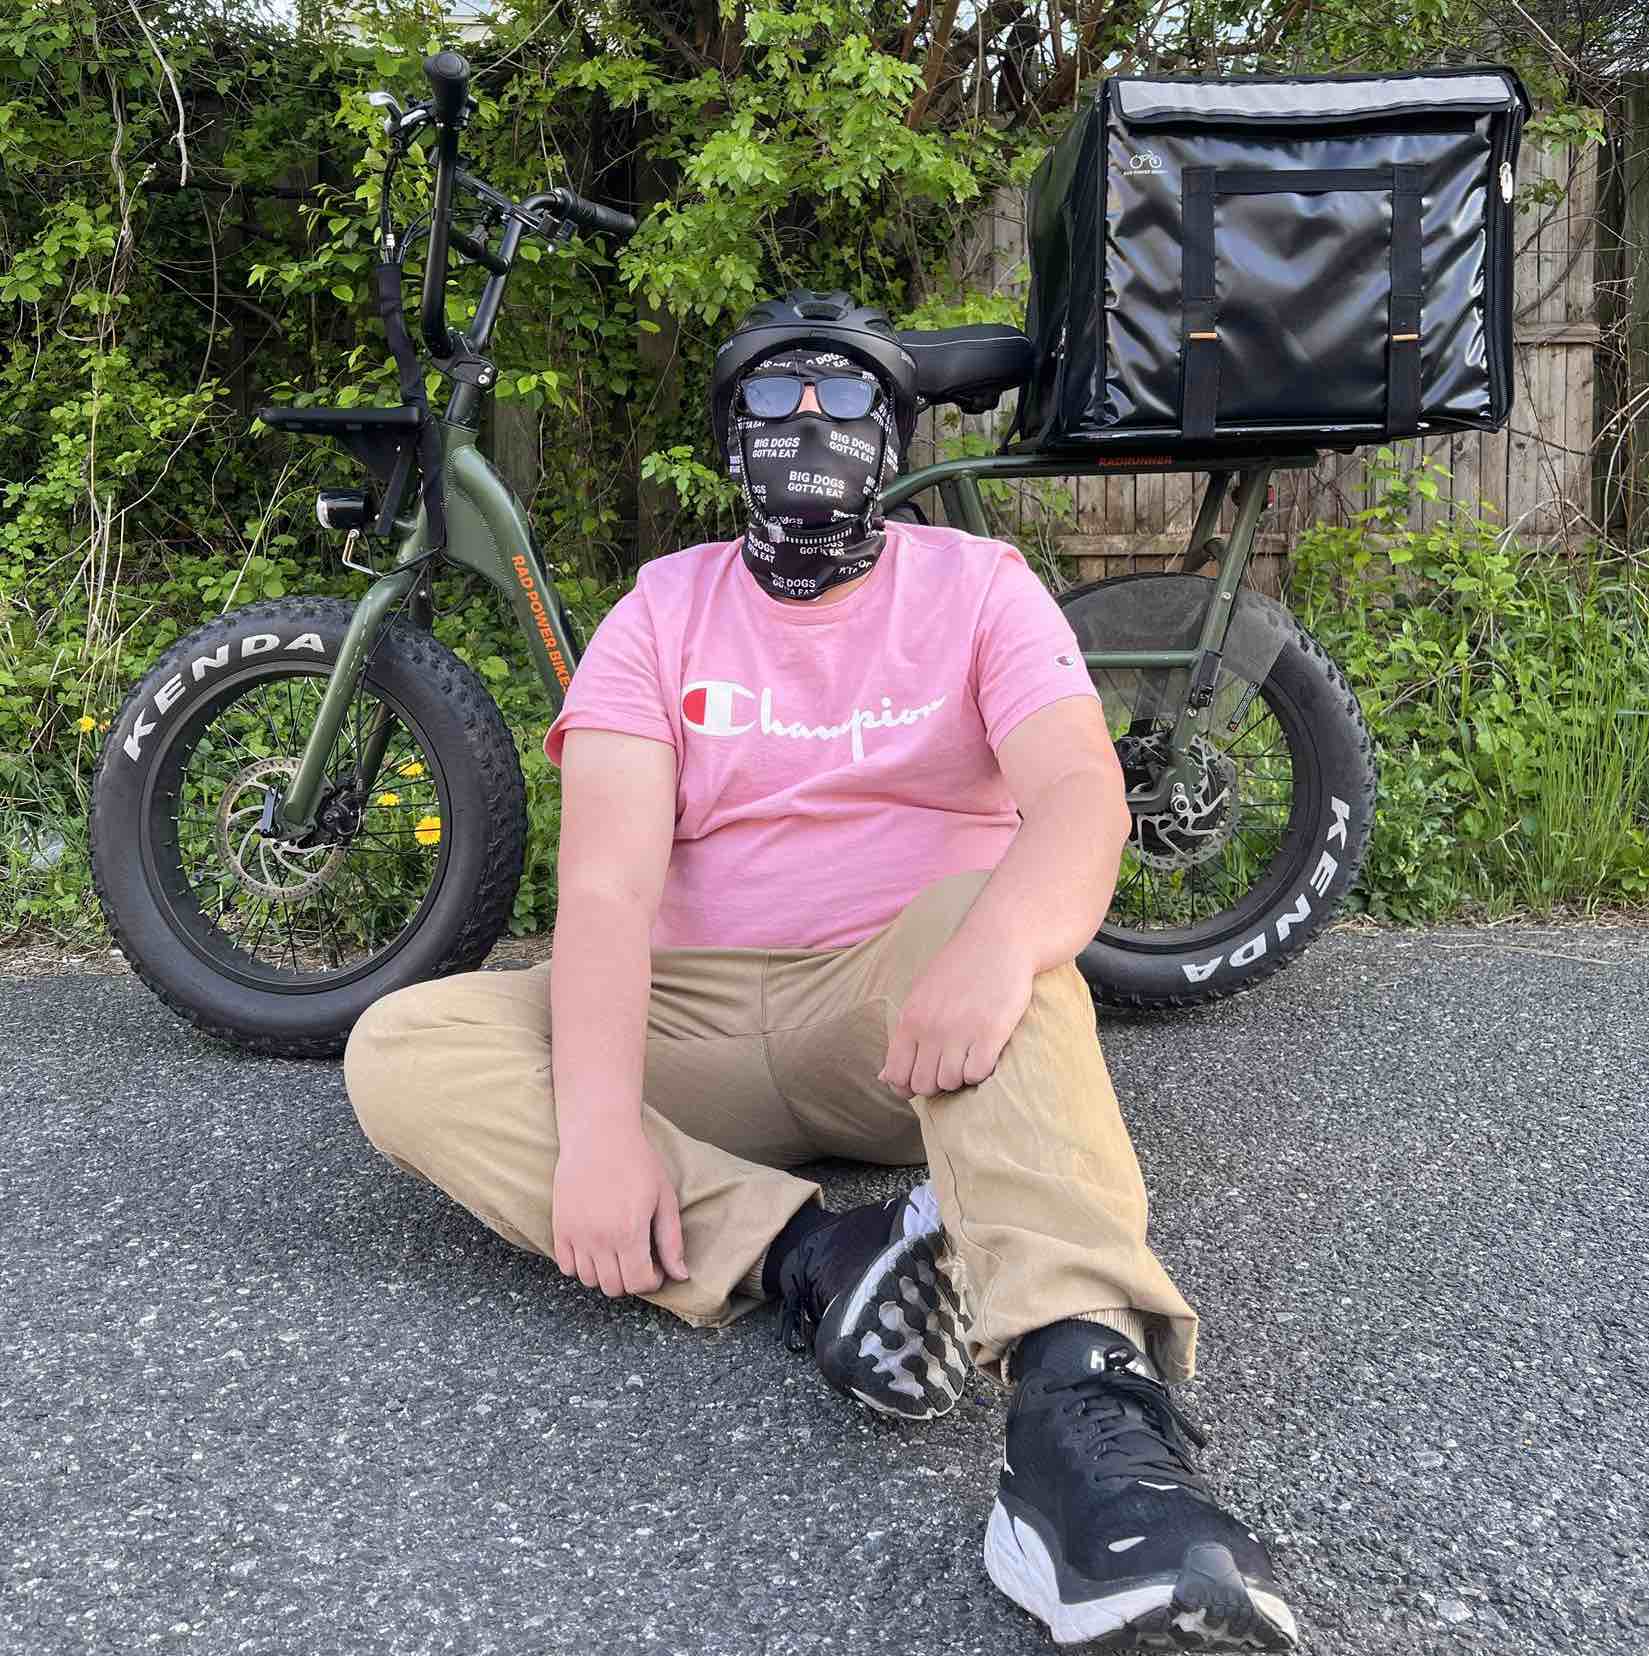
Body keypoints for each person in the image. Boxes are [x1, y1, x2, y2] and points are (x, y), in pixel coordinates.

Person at [343, 290, 1299, 1652]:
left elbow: (1081, 801)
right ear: (729, 439)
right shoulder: (661, 608)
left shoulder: (980, 588)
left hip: (900, 1008)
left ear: (892, 434)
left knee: (1004, 917)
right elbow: (607, 884)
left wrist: (993, 948)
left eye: (843, 400)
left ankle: (1081, 1416)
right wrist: (603, 1130)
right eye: (773, 403)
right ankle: (815, 1255)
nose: (809, 427)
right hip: (696, 1008)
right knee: (402, 1046)